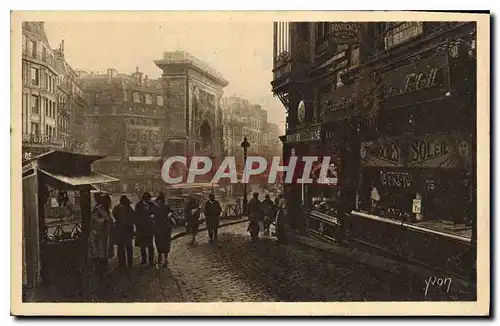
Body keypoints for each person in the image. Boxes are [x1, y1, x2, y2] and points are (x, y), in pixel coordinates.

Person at [89, 192, 113, 281]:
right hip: (99, 235)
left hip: (106, 234)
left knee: (105, 254)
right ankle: (99, 272)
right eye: (107, 201)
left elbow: (110, 220)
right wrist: (104, 220)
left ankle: (104, 271)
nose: (108, 203)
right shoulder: (98, 209)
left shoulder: (107, 210)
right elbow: (94, 219)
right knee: (99, 253)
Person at [112, 195, 135, 269]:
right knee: (122, 249)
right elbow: (114, 215)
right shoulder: (117, 208)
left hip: (126, 231)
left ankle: (128, 264)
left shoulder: (129, 209)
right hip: (121, 231)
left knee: (128, 248)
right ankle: (122, 264)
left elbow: (133, 219)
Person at [154, 193, 175, 268]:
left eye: (160, 200)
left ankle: (165, 259)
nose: (159, 202)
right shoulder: (155, 207)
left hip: (165, 228)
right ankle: (160, 257)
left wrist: (169, 214)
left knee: (165, 243)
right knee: (159, 243)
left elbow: (171, 212)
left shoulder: (166, 206)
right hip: (159, 228)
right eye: (159, 200)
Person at [135, 192, 155, 266]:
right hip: (141, 228)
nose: (148, 200)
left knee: (150, 245)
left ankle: (151, 260)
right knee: (142, 245)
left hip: (149, 228)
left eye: (149, 199)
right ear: (144, 199)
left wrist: (153, 216)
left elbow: (155, 213)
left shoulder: (152, 205)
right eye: (147, 199)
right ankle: (144, 260)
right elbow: (136, 217)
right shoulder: (138, 205)